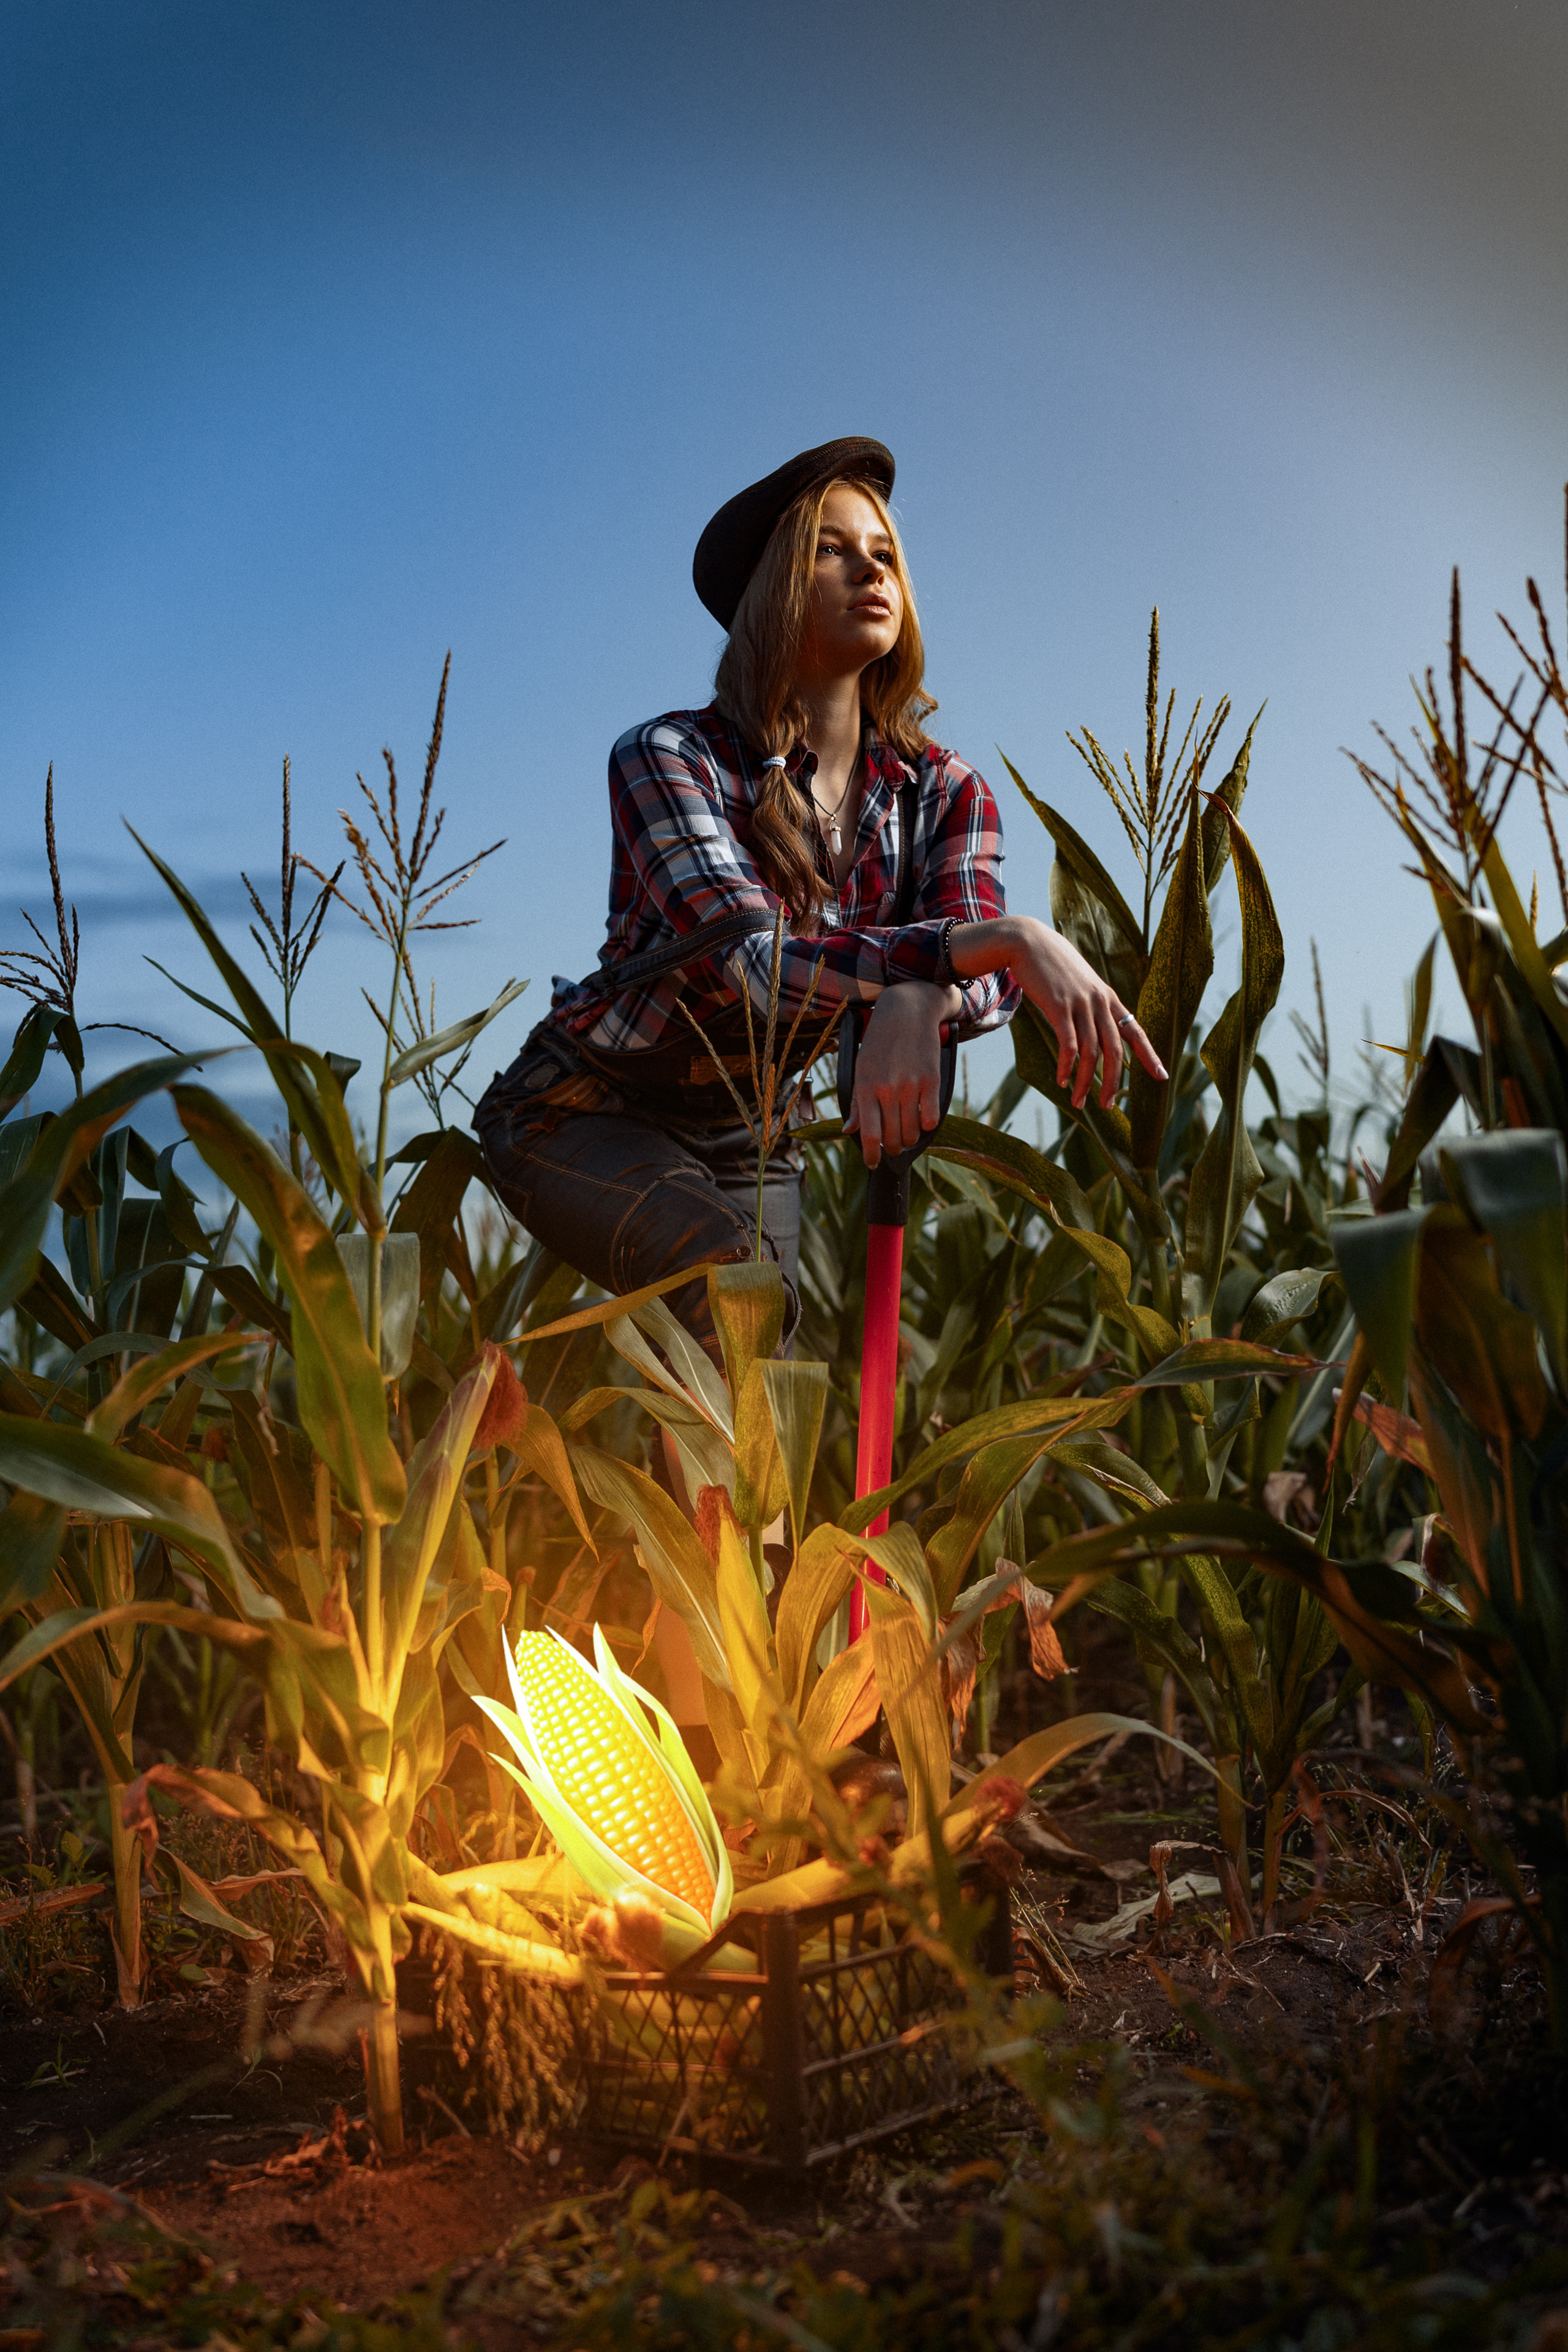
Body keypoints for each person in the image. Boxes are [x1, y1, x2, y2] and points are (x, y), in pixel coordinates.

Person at [474, 435, 1165, 1364]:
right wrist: (1008, 939)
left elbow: (983, 984)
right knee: (733, 1286)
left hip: (756, 1135)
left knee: (767, 1399)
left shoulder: (948, 792)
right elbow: (757, 969)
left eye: (883, 552)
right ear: (772, 593)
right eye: (831, 550)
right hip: (587, 1110)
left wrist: (926, 993)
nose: (869, 567)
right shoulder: (670, 758)